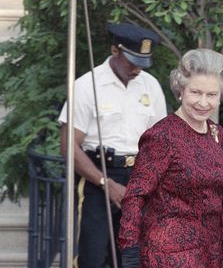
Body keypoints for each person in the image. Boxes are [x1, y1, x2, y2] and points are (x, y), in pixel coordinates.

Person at [118, 48, 223, 268]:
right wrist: (130, 251)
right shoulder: (162, 136)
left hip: (213, 252)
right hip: (170, 255)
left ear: (221, 95)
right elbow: (135, 196)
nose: (203, 102)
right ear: (181, 90)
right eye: (195, 92)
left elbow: (211, 185)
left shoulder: (216, 133)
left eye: (211, 95)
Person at [59, 22, 167, 268]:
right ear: (115, 51)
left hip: (140, 179)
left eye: (143, 62)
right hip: (97, 176)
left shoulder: (150, 86)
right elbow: (68, 146)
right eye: (132, 60)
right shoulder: (87, 86)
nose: (137, 68)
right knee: (91, 256)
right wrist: (106, 184)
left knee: (133, 258)